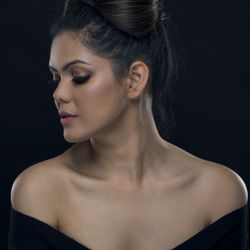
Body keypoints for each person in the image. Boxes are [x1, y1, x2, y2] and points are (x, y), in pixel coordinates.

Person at [8, 0, 248, 249]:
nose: (59, 93)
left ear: (134, 79)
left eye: (79, 77)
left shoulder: (220, 194)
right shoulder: (39, 192)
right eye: (57, 78)